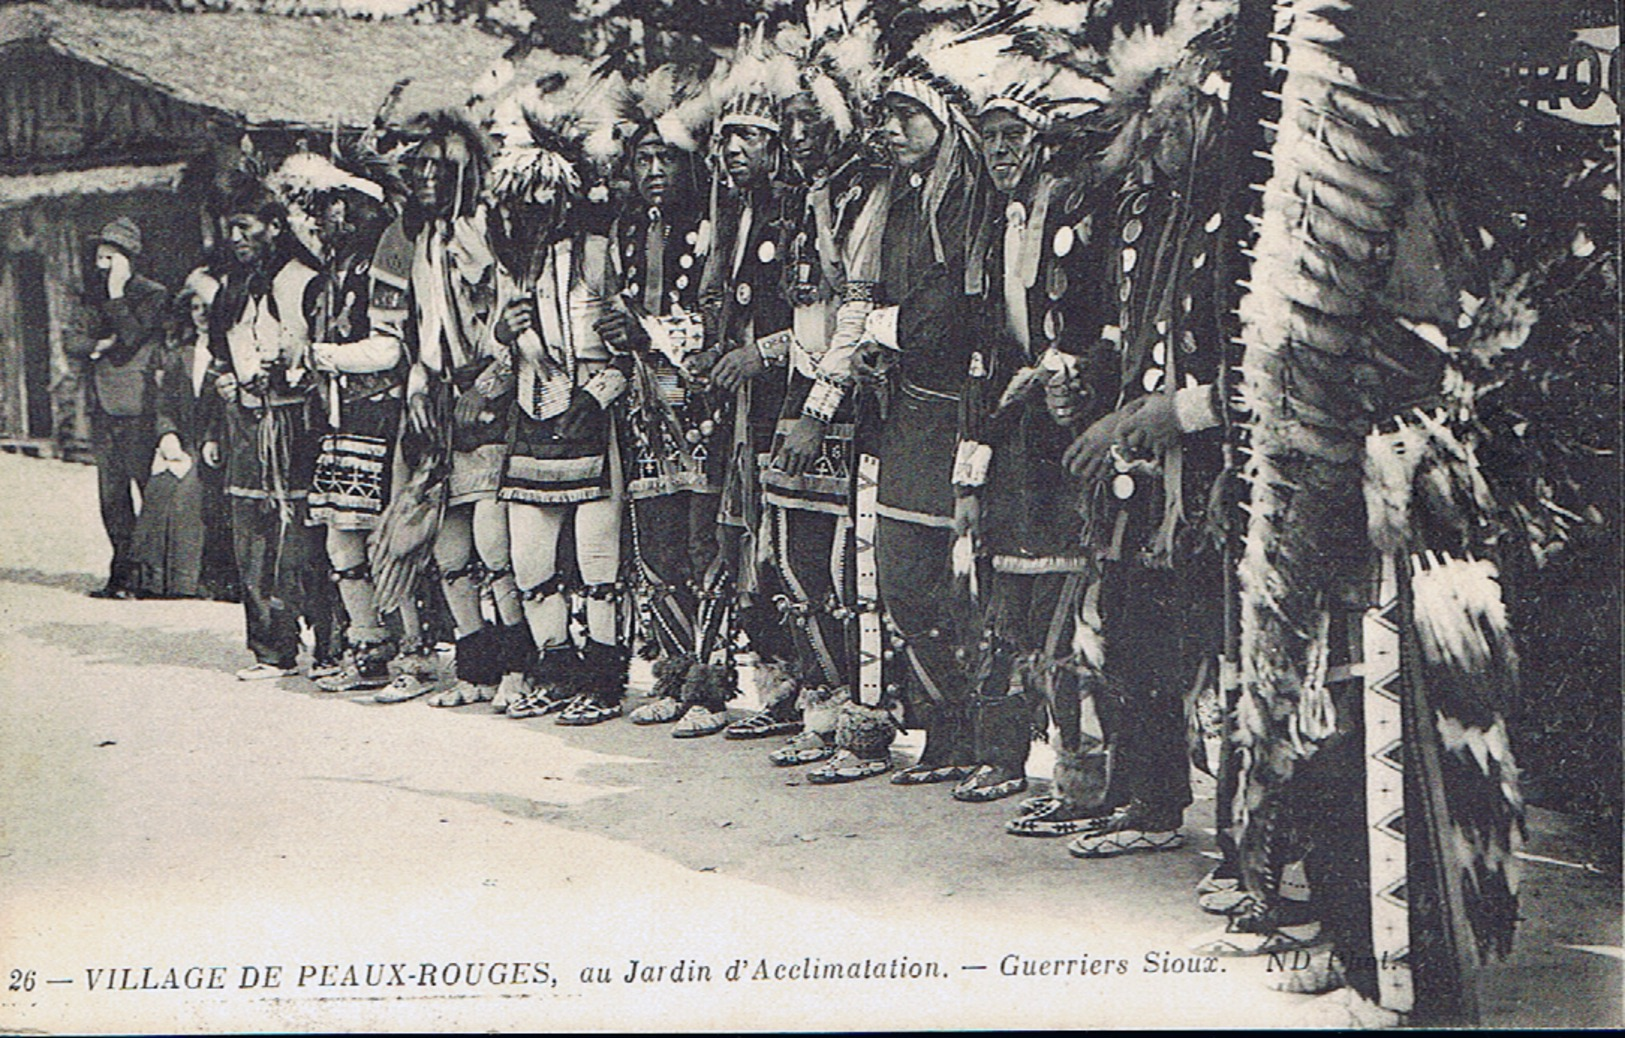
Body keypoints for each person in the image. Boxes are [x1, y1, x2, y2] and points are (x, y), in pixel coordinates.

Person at [790, 57, 988, 784]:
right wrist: (857, 361)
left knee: (938, 579)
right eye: (888, 114)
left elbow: (947, 315)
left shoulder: (965, 199)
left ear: (946, 122)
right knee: (900, 577)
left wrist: (878, 328)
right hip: (902, 412)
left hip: (955, 413)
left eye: (913, 115)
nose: (895, 129)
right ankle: (942, 727)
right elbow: (868, 295)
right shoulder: (895, 200)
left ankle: (968, 734)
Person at [954, 70, 1110, 807]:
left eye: (1011, 135)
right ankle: (1002, 755)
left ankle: (1079, 775)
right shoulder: (994, 222)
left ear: (1041, 142)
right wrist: (971, 465)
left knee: (1069, 606)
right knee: (1003, 603)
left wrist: (1064, 373)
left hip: (1066, 428)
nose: (998, 149)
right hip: (1010, 435)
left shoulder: (1077, 210)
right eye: (987, 138)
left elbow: (1100, 315)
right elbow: (980, 350)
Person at [754, 11, 892, 761]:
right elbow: (807, 311)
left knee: (846, 566)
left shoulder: (866, 195)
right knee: (793, 558)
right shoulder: (809, 196)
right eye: (789, 116)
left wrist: (818, 406)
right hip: (804, 393)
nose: (797, 129)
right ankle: (822, 704)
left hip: (848, 404)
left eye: (810, 115)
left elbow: (857, 309)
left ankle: (862, 718)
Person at [484, 88, 632, 726]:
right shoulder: (513, 272)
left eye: (546, 203)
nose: (534, 216)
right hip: (530, 420)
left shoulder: (598, 258)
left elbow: (631, 348)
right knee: (531, 562)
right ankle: (556, 667)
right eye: (522, 205)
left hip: (592, 423)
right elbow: (506, 356)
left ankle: (603, 678)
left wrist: (595, 398)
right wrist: (502, 334)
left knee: (598, 562)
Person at [585, 66, 723, 726]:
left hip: (700, 406)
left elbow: (718, 314)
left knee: (703, 543)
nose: (654, 170)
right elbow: (616, 311)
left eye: (666, 156)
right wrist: (617, 332)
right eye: (643, 158)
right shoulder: (625, 231)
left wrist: (652, 333)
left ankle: (709, 682)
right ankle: (668, 673)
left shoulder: (715, 224)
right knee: (656, 544)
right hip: (644, 408)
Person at [682, 39, 804, 739]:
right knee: (729, 541)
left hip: (783, 403)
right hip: (734, 408)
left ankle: (795, 686)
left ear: (776, 147)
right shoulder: (732, 216)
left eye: (751, 139)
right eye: (727, 140)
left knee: (777, 544)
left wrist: (762, 352)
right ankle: (759, 679)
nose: (734, 152)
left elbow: (814, 316)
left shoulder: (792, 210)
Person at [381, 111, 519, 709]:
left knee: (496, 548)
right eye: (419, 167)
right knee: (450, 553)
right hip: (439, 402)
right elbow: (422, 329)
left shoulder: (488, 229)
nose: (428, 177)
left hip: (490, 399)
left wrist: (484, 386)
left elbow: (513, 317)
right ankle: (475, 669)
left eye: (442, 166)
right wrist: (418, 384)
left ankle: (519, 667)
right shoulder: (425, 239)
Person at [269, 152, 409, 694]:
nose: (338, 217)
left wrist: (319, 357)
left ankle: (410, 654)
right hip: (340, 420)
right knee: (341, 544)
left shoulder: (390, 257)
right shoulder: (335, 270)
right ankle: (368, 646)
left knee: (387, 543)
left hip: (381, 417)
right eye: (331, 207)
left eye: (349, 205)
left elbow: (389, 350)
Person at [203, 171, 344, 681]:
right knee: (252, 540)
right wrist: (223, 388)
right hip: (245, 423)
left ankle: (332, 646)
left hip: (299, 424)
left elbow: (326, 353)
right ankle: (272, 649)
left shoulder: (305, 281)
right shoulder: (230, 288)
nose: (236, 239)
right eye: (230, 229)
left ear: (273, 225)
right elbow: (219, 354)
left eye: (245, 227)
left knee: (307, 538)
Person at [69, 217, 168, 599]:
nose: (101, 265)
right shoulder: (91, 295)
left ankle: (153, 576)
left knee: (146, 488)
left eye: (109, 257)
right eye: (99, 256)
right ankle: (121, 573)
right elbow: (73, 341)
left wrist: (116, 293)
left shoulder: (152, 294)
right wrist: (99, 345)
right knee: (111, 496)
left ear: (127, 260)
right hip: (103, 407)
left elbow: (130, 335)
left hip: (138, 405)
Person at [130, 268, 224, 599]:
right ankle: (156, 582)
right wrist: (167, 435)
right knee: (159, 489)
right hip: (185, 442)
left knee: (188, 496)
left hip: (219, 444)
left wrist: (214, 438)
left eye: (209, 308)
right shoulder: (181, 354)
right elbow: (165, 403)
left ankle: (196, 580)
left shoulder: (229, 354)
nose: (202, 315)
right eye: (196, 308)